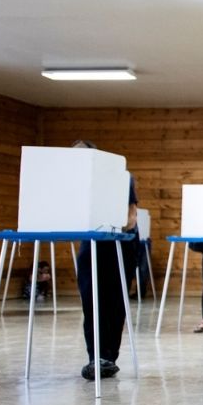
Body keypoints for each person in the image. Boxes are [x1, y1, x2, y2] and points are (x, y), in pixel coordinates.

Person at [72, 140, 139, 380]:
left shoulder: (122, 177)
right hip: (91, 244)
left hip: (121, 244)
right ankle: (96, 358)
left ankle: (109, 356)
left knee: (115, 302)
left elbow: (130, 217)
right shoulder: (73, 182)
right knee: (91, 300)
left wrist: (107, 221)